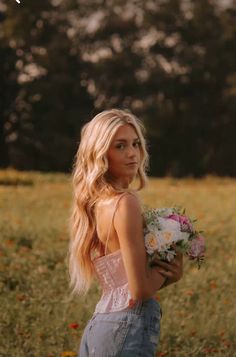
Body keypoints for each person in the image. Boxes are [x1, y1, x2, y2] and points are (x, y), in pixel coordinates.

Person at [68, 108, 183, 357]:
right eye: (120, 146)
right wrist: (169, 273)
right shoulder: (125, 202)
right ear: (101, 153)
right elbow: (139, 291)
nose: (132, 153)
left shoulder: (96, 204)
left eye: (135, 144)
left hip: (99, 327)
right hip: (126, 328)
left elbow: (123, 287)